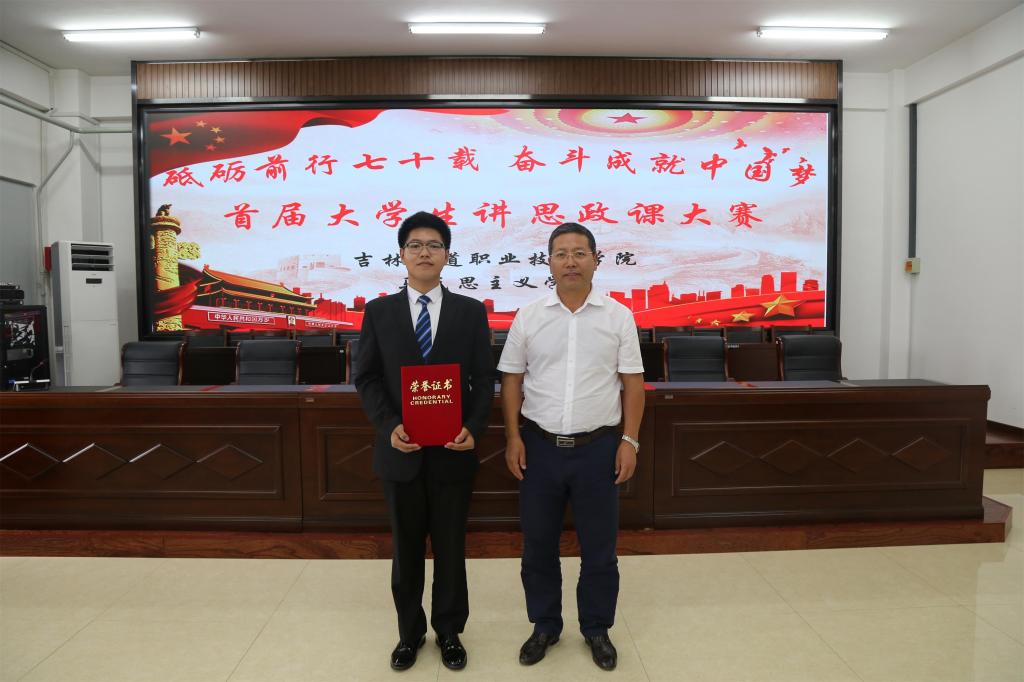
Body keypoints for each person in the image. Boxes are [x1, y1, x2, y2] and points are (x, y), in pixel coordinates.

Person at [497, 222, 645, 672]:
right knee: (538, 545)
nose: (571, 262)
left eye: (580, 253)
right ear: (549, 262)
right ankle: (545, 625)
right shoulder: (529, 315)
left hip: (598, 448)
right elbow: (512, 380)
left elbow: (633, 384)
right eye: (561, 254)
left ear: (596, 260)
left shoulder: (618, 316)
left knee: (599, 548)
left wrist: (630, 440)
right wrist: (513, 437)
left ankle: (596, 628)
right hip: (539, 447)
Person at [353, 211, 494, 672]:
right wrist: (388, 425)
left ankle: (449, 631)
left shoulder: (470, 312)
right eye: (415, 245)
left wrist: (473, 427)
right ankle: (409, 633)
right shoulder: (379, 312)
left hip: (453, 451)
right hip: (401, 453)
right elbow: (367, 377)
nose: (425, 252)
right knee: (407, 549)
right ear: (402, 254)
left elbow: (483, 379)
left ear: (447, 255)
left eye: (434, 245)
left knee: (451, 548)